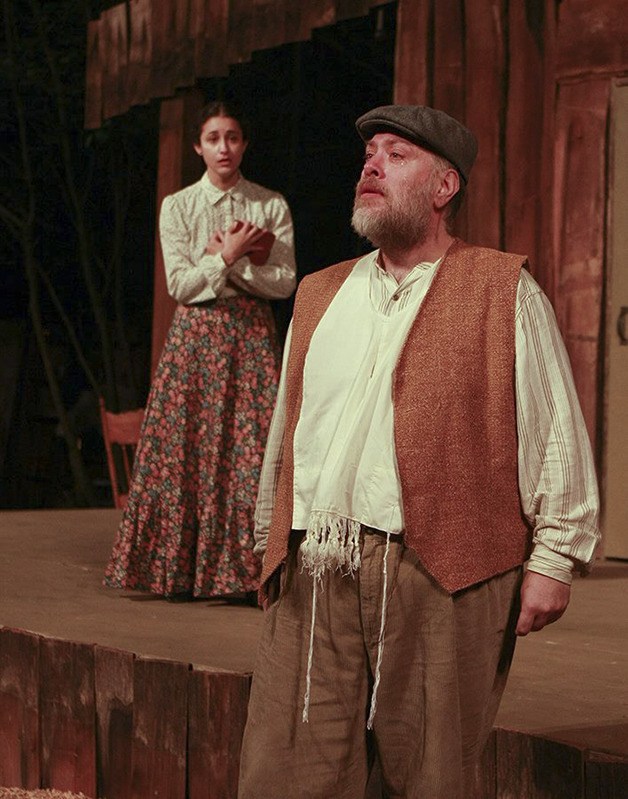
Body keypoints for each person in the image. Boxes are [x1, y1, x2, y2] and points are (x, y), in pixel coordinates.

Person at [237, 105, 600, 798]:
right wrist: (268, 537)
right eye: (369, 153)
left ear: (444, 188)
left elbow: (552, 431)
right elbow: (289, 429)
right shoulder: (320, 292)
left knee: (431, 772)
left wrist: (554, 557)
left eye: (396, 154)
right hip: (318, 563)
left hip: (442, 570)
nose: (371, 165)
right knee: (288, 771)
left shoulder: (501, 288)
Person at [104, 101, 296, 601]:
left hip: (251, 337)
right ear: (199, 146)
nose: (224, 147)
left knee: (252, 449)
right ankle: (179, 573)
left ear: (244, 143)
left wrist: (233, 264)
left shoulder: (269, 204)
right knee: (183, 451)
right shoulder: (178, 206)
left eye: (232, 137)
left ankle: (248, 573)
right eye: (213, 138)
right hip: (195, 339)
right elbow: (180, 285)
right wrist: (223, 262)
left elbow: (285, 282)